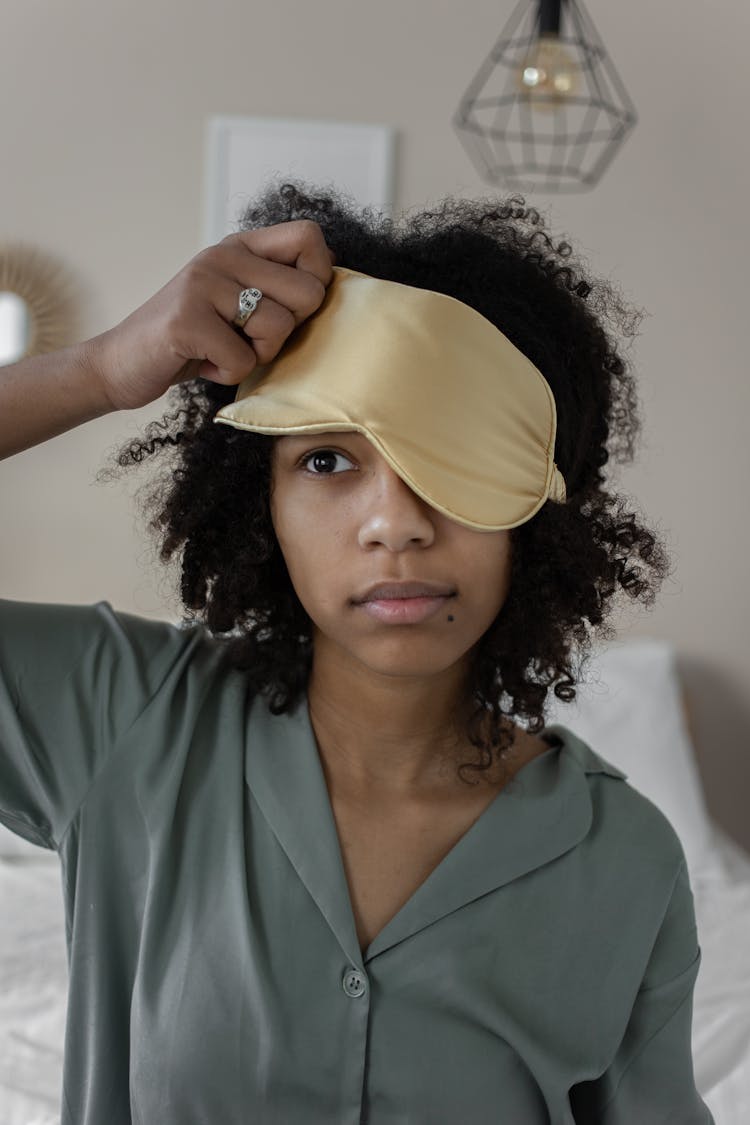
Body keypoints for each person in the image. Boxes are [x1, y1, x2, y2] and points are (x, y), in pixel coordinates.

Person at [0, 181, 714, 1123]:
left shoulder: (627, 861)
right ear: (262, 499)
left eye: (454, 453)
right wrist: (98, 372)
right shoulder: (120, 717)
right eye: (328, 460)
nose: (397, 523)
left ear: (539, 509)